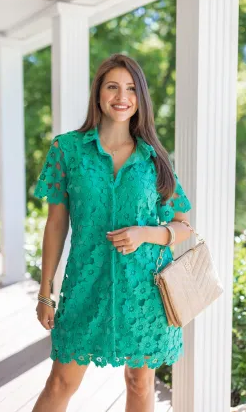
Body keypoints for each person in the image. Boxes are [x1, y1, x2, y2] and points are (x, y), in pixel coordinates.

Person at [32, 53, 192, 412]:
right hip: (85, 287)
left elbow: (185, 227)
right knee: (60, 382)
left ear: (141, 98)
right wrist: (46, 292)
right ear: (99, 93)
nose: (122, 96)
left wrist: (144, 233)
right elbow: (56, 224)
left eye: (132, 88)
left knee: (140, 382)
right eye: (113, 86)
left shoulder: (155, 158)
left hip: (145, 295)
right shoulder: (67, 149)